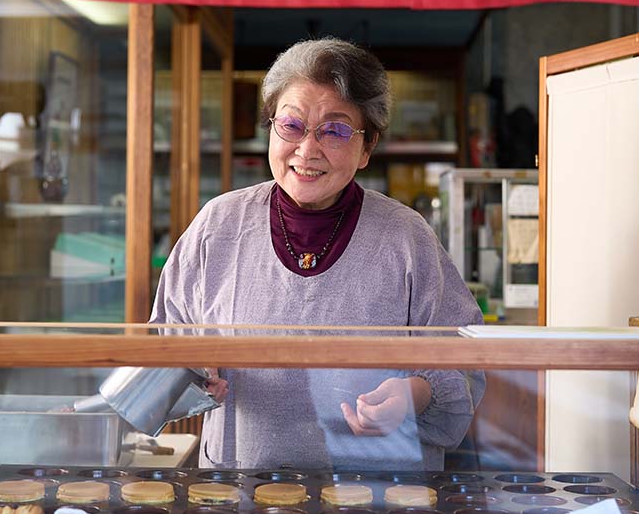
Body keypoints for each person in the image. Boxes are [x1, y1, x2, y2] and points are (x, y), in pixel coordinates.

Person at [151, 37, 485, 471]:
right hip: (243, 495)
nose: (307, 150)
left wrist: (414, 394)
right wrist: (195, 373)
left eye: (335, 130)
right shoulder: (219, 226)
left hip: (377, 505)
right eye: (291, 126)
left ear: (367, 147)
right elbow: (164, 346)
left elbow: (464, 363)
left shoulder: (406, 238)